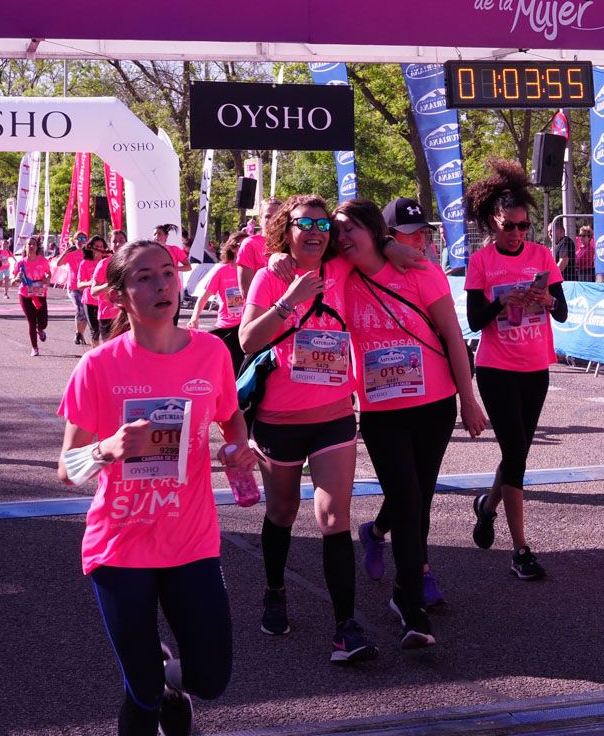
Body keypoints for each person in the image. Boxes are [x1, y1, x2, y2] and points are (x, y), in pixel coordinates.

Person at [57, 238, 253, 736]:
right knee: (140, 693)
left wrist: (237, 451)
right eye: (144, 277)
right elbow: (67, 468)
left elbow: (231, 420)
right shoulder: (98, 366)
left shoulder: (211, 354)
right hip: (121, 545)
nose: (161, 284)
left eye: (167, 272)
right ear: (121, 296)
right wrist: (107, 449)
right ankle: (154, 688)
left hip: (191, 541)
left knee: (211, 678)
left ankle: (172, 682)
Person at [332, 198, 488, 648]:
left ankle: (406, 591)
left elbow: (454, 338)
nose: (342, 239)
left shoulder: (420, 271)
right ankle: (414, 610)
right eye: (337, 232)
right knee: (404, 499)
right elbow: (302, 249)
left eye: (350, 230)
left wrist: (468, 400)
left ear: (370, 228)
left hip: (434, 404)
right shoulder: (342, 272)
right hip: (381, 412)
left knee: (418, 500)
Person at [239, 194, 375, 664]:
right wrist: (288, 300)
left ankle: (345, 627)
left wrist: (397, 248)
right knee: (282, 512)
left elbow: (372, 243)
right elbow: (246, 339)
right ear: (287, 229)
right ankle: (275, 591)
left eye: (322, 224)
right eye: (304, 224)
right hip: (279, 419)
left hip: (334, 413)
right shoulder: (270, 274)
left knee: (335, 519)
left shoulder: (340, 268)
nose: (315, 231)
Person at [463, 159, 568, 581]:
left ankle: (486, 507)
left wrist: (547, 302)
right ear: (493, 222)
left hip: (535, 365)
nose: (517, 234)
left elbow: (562, 313)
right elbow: (473, 321)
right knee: (517, 454)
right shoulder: (482, 262)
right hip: (496, 368)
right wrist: (503, 301)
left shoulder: (542, 255)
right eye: (510, 226)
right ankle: (521, 548)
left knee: (517, 451)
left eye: (524, 226)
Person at [186, 230, 248, 372]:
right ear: (232, 248)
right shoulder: (221, 270)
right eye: (243, 244)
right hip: (226, 326)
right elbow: (203, 298)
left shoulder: (254, 270)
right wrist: (194, 318)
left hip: (246, 326)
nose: (247, 248)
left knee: (240, 369)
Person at [236, 197, 284, 297]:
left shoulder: (291, 243)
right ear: (260, 219)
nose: (273, 220)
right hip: (261, 310)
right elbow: (246, 291)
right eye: (268, 216)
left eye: (277, 216)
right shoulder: (250, 244)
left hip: (291, 310)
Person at [16, 238, 52, 357]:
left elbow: (48, 273)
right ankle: (35, 348)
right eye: (29, 244)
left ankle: (40, 329)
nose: (31, 246)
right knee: (31, 322)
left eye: (34, 244)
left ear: (37, 247)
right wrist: (16, 279)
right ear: (25, 247)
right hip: (25, 294)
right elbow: (14, 279)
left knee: (43, 322)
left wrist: (47, 278)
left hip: (40, 292)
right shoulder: (21, 263)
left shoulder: (43, 261)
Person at [56, 234, 91, 346]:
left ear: (87, 241)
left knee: (85, 312)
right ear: (74, 241)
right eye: (78, 239)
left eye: (83, 239)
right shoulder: (71, 254)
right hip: (73, 287)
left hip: (85, 287)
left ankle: (79, 334)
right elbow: (58, 264)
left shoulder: (89, 254)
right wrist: (65, 252)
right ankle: (78, 334)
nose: (81, 241)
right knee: (81, 309)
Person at [79, 236, 112, 344]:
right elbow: (79, 284)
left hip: (104, 301)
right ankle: (96, 355)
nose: (99, 248)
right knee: (95, 331)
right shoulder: (85, 263)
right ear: (91, 248)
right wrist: (91, 283)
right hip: (90, 301)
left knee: (108, 333)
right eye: (96, 246)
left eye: (101, 246)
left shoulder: (107, 262)